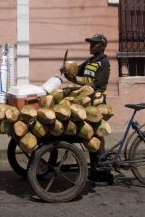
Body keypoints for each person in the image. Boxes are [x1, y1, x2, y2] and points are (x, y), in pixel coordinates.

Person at [63, 33, 113, 184]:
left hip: (96, 102)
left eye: (95, 44)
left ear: (102, 46)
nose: (91, 46)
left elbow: (97, 84)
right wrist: (67, 69)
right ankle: (95, 169)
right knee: (89, 135)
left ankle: (104, 172)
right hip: (86, 101)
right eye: (91, 44)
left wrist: (76, 84)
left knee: (96, 136)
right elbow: (77, 70)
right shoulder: (90, 61)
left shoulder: (103, 63)